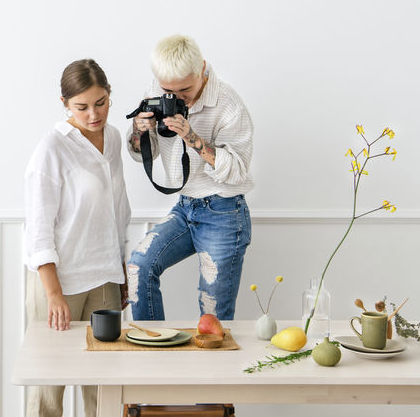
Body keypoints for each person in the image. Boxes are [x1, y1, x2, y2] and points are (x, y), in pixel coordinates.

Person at [23, 59, 131, 417]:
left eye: (100, 103)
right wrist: (53, 295)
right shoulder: (51, 149)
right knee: (48, 388)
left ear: (109, 95)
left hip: (104, 277)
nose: (94, 114)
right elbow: (39, 229)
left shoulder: (113, 138)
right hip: (59, 281)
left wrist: (122, 273)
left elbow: (116, 211)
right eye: (81, 107)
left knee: (103, 386)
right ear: (65, 104)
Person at [126, 34, 253, 321]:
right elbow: (138, 153)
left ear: (202, 69)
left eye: (184, 88)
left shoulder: (228, 103)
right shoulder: (156, 92)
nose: (176, 97)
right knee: (139, 267)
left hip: (225, 210)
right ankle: (153, 348)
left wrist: (191, 137)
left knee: (213, 313)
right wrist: (140, 131)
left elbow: (238, 170)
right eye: (167, 89)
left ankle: (212, 367)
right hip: (186, 207)